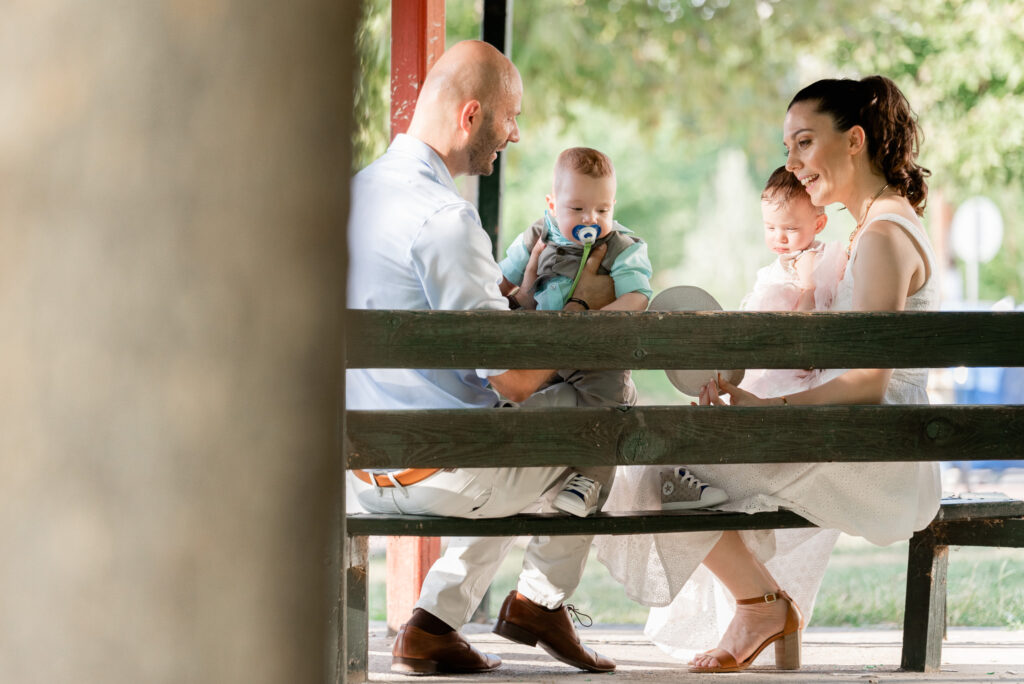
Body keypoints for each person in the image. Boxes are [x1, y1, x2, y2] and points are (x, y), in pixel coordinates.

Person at [596, 75, 940, 674]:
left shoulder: (883, 236)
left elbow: (869, 383)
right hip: (857, 436)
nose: (794, 163)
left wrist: (767, 411)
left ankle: (761, 606)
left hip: (873, 451)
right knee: (669, 464)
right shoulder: (875, 227)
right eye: (788, 148)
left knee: (655, 470)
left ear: (854, 140)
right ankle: (764, 606)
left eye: (805, 142)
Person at [347, 40, 618, 675]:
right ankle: (541, 601)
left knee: (507, 435)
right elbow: (516, 382)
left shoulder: (354, 195)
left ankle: (433, 627)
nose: (515, 134)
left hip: (361, 472)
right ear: (471, 116)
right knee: (606, 408)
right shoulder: (445, 219)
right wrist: (582, 309)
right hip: (447, 475)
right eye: (510, 117)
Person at [498, 146, 652, 411]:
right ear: (553, 205)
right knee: (531, 386)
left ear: (613, 207)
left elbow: (637, 297)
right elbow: (501, 282)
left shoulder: (621, 249)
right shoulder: (537, 236)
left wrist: (596, 323)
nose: (590, 218)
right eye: (577, 208)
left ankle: (553, 405)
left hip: (595, 358)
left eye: (602, 210)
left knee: (605, 405)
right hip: (545, 351)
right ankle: (536, 406)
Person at [739, 165, 848, 400]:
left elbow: (810, 298)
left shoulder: (807, 259)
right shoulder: (790, 258)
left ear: (818, 224)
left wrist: (797, 340)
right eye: (770, 227)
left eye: (790, 228)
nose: (779, 237)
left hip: (794, 352)